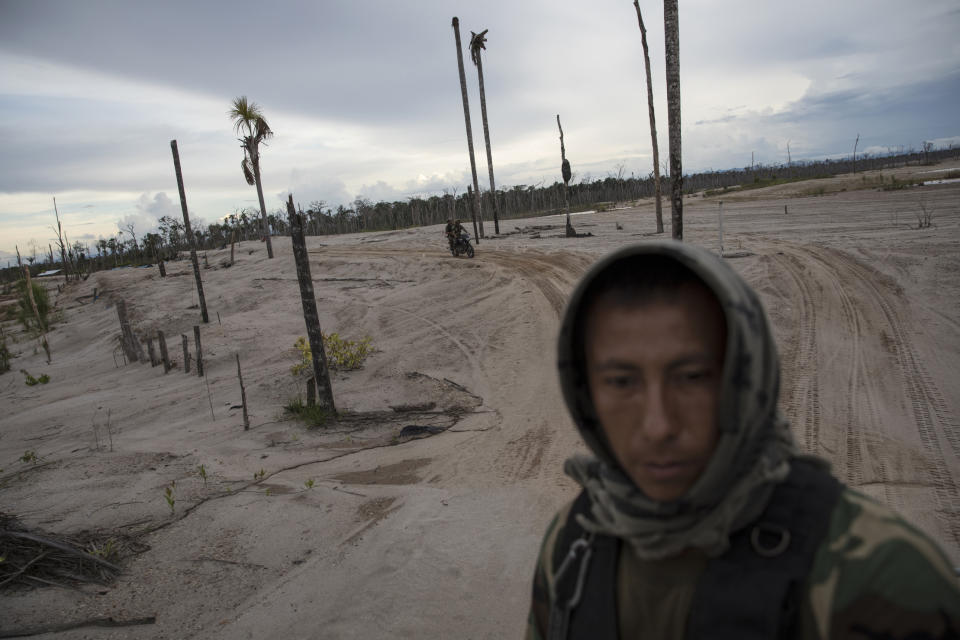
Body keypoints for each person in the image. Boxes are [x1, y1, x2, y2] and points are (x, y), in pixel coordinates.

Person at [526, 241, 959, 639]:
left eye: (692, 378)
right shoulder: (573, 545)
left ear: (746, 381)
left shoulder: (881, 578)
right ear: (585, 393)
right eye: (621, 382)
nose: (658, 425)